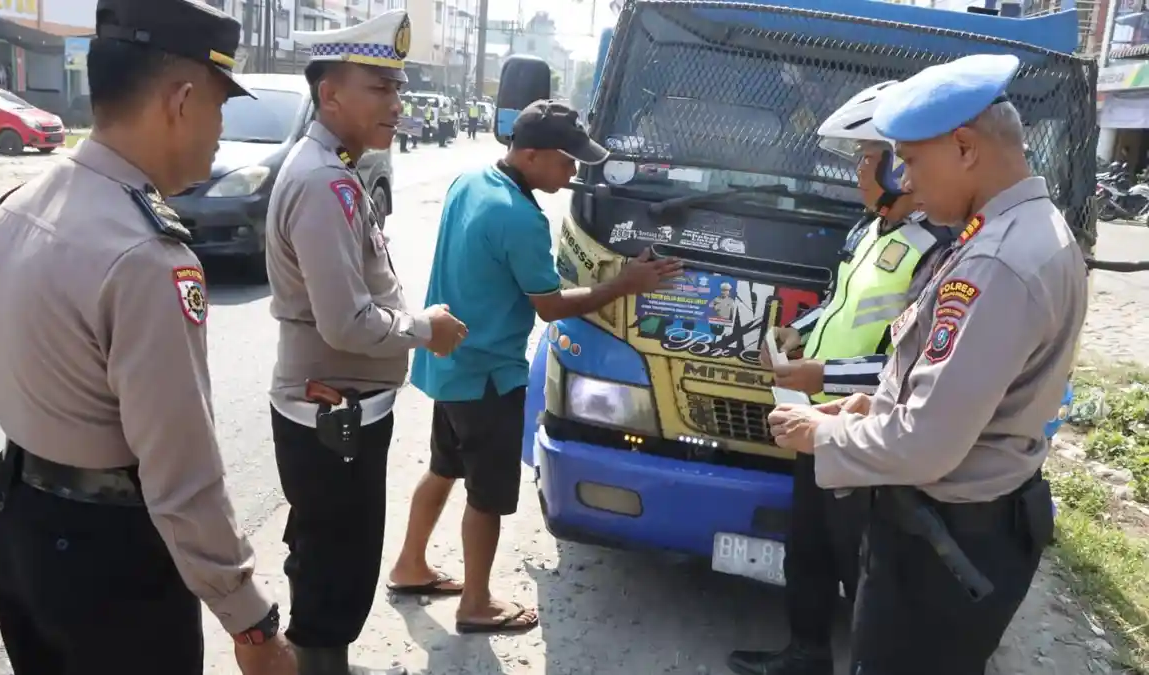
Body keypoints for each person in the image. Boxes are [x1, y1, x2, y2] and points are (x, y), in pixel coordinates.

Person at [0, 1, 297, 674]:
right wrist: (252, 622)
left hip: (15, 516)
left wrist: (53, 419)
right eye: (222, 107)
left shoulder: (14, 205)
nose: (223, 131)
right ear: (182, 100)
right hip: (110, 558)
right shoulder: (149, 257)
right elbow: (180, 474)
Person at [767, 54, 1087, 675]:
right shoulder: (1016, 230)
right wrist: (869, 406)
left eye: (910, 161)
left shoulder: (997, 260)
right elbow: (955, 394)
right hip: (961, 529)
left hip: (945, 541)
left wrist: (824, 431)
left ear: (964, 147)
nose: (904, 180)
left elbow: (927, 443)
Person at [387, 99, 683, 634]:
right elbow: (550, 306)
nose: (574, 172)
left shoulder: (471, 181)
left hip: (450, 365)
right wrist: (625, 284)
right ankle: (476, 603)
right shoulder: (519, 216)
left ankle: (411, 564)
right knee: (488, 495)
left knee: (444, 466)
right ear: (529, 155)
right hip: (487, 377)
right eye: (566, 161)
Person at [266, 10, 468, 675]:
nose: (398, 102)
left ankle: (328, 661)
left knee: (335, 553)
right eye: (380, 88)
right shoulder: (322, 180)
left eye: (398, 87)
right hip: (332, 410)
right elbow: (345, 323)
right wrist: (425, 330)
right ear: (331, 94)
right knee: (334, 561)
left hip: (344, 408)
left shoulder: (338, 168)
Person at [728, 80, 953, 675]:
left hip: (867, 430)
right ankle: (806, 655)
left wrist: (817, 372)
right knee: (809, 549)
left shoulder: (939, 252)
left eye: (866, 161)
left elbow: (916, 367)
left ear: (901, 171)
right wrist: (796, 332)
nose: (857, 175)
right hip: (818, 420)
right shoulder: (869, 231)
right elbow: (841, 302)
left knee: (864, 570)